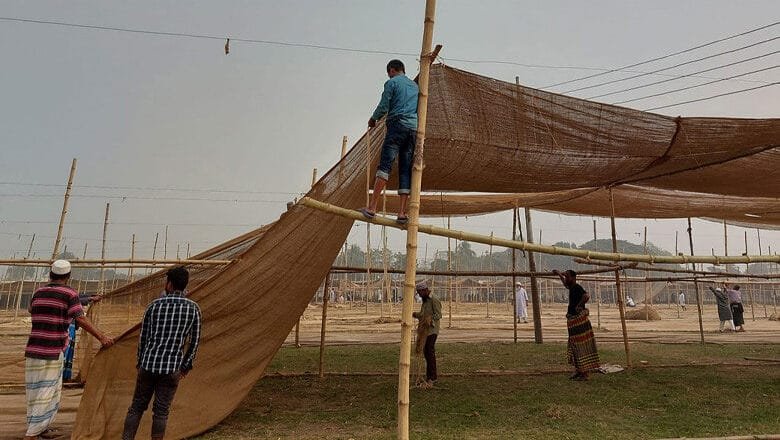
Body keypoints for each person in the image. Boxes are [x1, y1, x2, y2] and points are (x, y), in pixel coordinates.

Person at [24, 260, 113, 440]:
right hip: (52, 349)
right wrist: (102, 337)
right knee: (47, 391)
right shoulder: (69, 294)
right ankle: (32, 434)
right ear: (68, 276)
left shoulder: (38, 292)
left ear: (51, 274)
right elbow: (80, 319)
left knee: (35, 391)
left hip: (33, 348)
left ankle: (40, 427)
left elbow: (30, 309)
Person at [122, 266, 202, 440]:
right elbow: (194, 342)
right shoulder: (193, 308)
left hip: (148, 365)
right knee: (161, 412)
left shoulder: (154, 306)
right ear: (185, 285)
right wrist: (185, 367)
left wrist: (140, 362)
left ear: (169, 284)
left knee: (136, 407)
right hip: (172, 368)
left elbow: (143, 338)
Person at [359, 59, 419, 225]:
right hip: (412, 129)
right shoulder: (415, 86)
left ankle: (371, 207)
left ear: (392, 70)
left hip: (396, 126)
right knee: (405, 169)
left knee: (385, 165)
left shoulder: (391, 83)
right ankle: (401, 213)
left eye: (389, 73)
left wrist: (373, 119)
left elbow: (384, 105)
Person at [553, 269, 600, 381]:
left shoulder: (577, 287)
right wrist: (560, 274)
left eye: (567, 276)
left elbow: (586, 296)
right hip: (573, 321)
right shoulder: (572, 287)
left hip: (579, 321)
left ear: (573, 278)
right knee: (575, 346)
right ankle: (579, 370)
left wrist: (579, 305)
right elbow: (565, 284)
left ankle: (585, 373)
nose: (566, 278)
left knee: (580, 346)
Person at [63, 292, 103, 381]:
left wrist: (91, 296)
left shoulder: (69, 292)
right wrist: (91, 299)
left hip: (71, 326)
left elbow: (78, 296)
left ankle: (65, 376)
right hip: (67, 326)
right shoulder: (63, 293)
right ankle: (60, 375)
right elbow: (75, 300)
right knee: (65, 351)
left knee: (69, 351)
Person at [411, 281, 442, 385]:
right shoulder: (424, 301)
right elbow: (423, 315)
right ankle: (429, 376)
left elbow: (438, 315)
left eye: (419, 292)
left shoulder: (434, 299)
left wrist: (430, 319)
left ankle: (433, 377)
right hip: (425, 331)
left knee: (429, 351)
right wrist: (415, 314)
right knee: (426, 352)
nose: (419, 295)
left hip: (432, 331)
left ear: (424, 290)